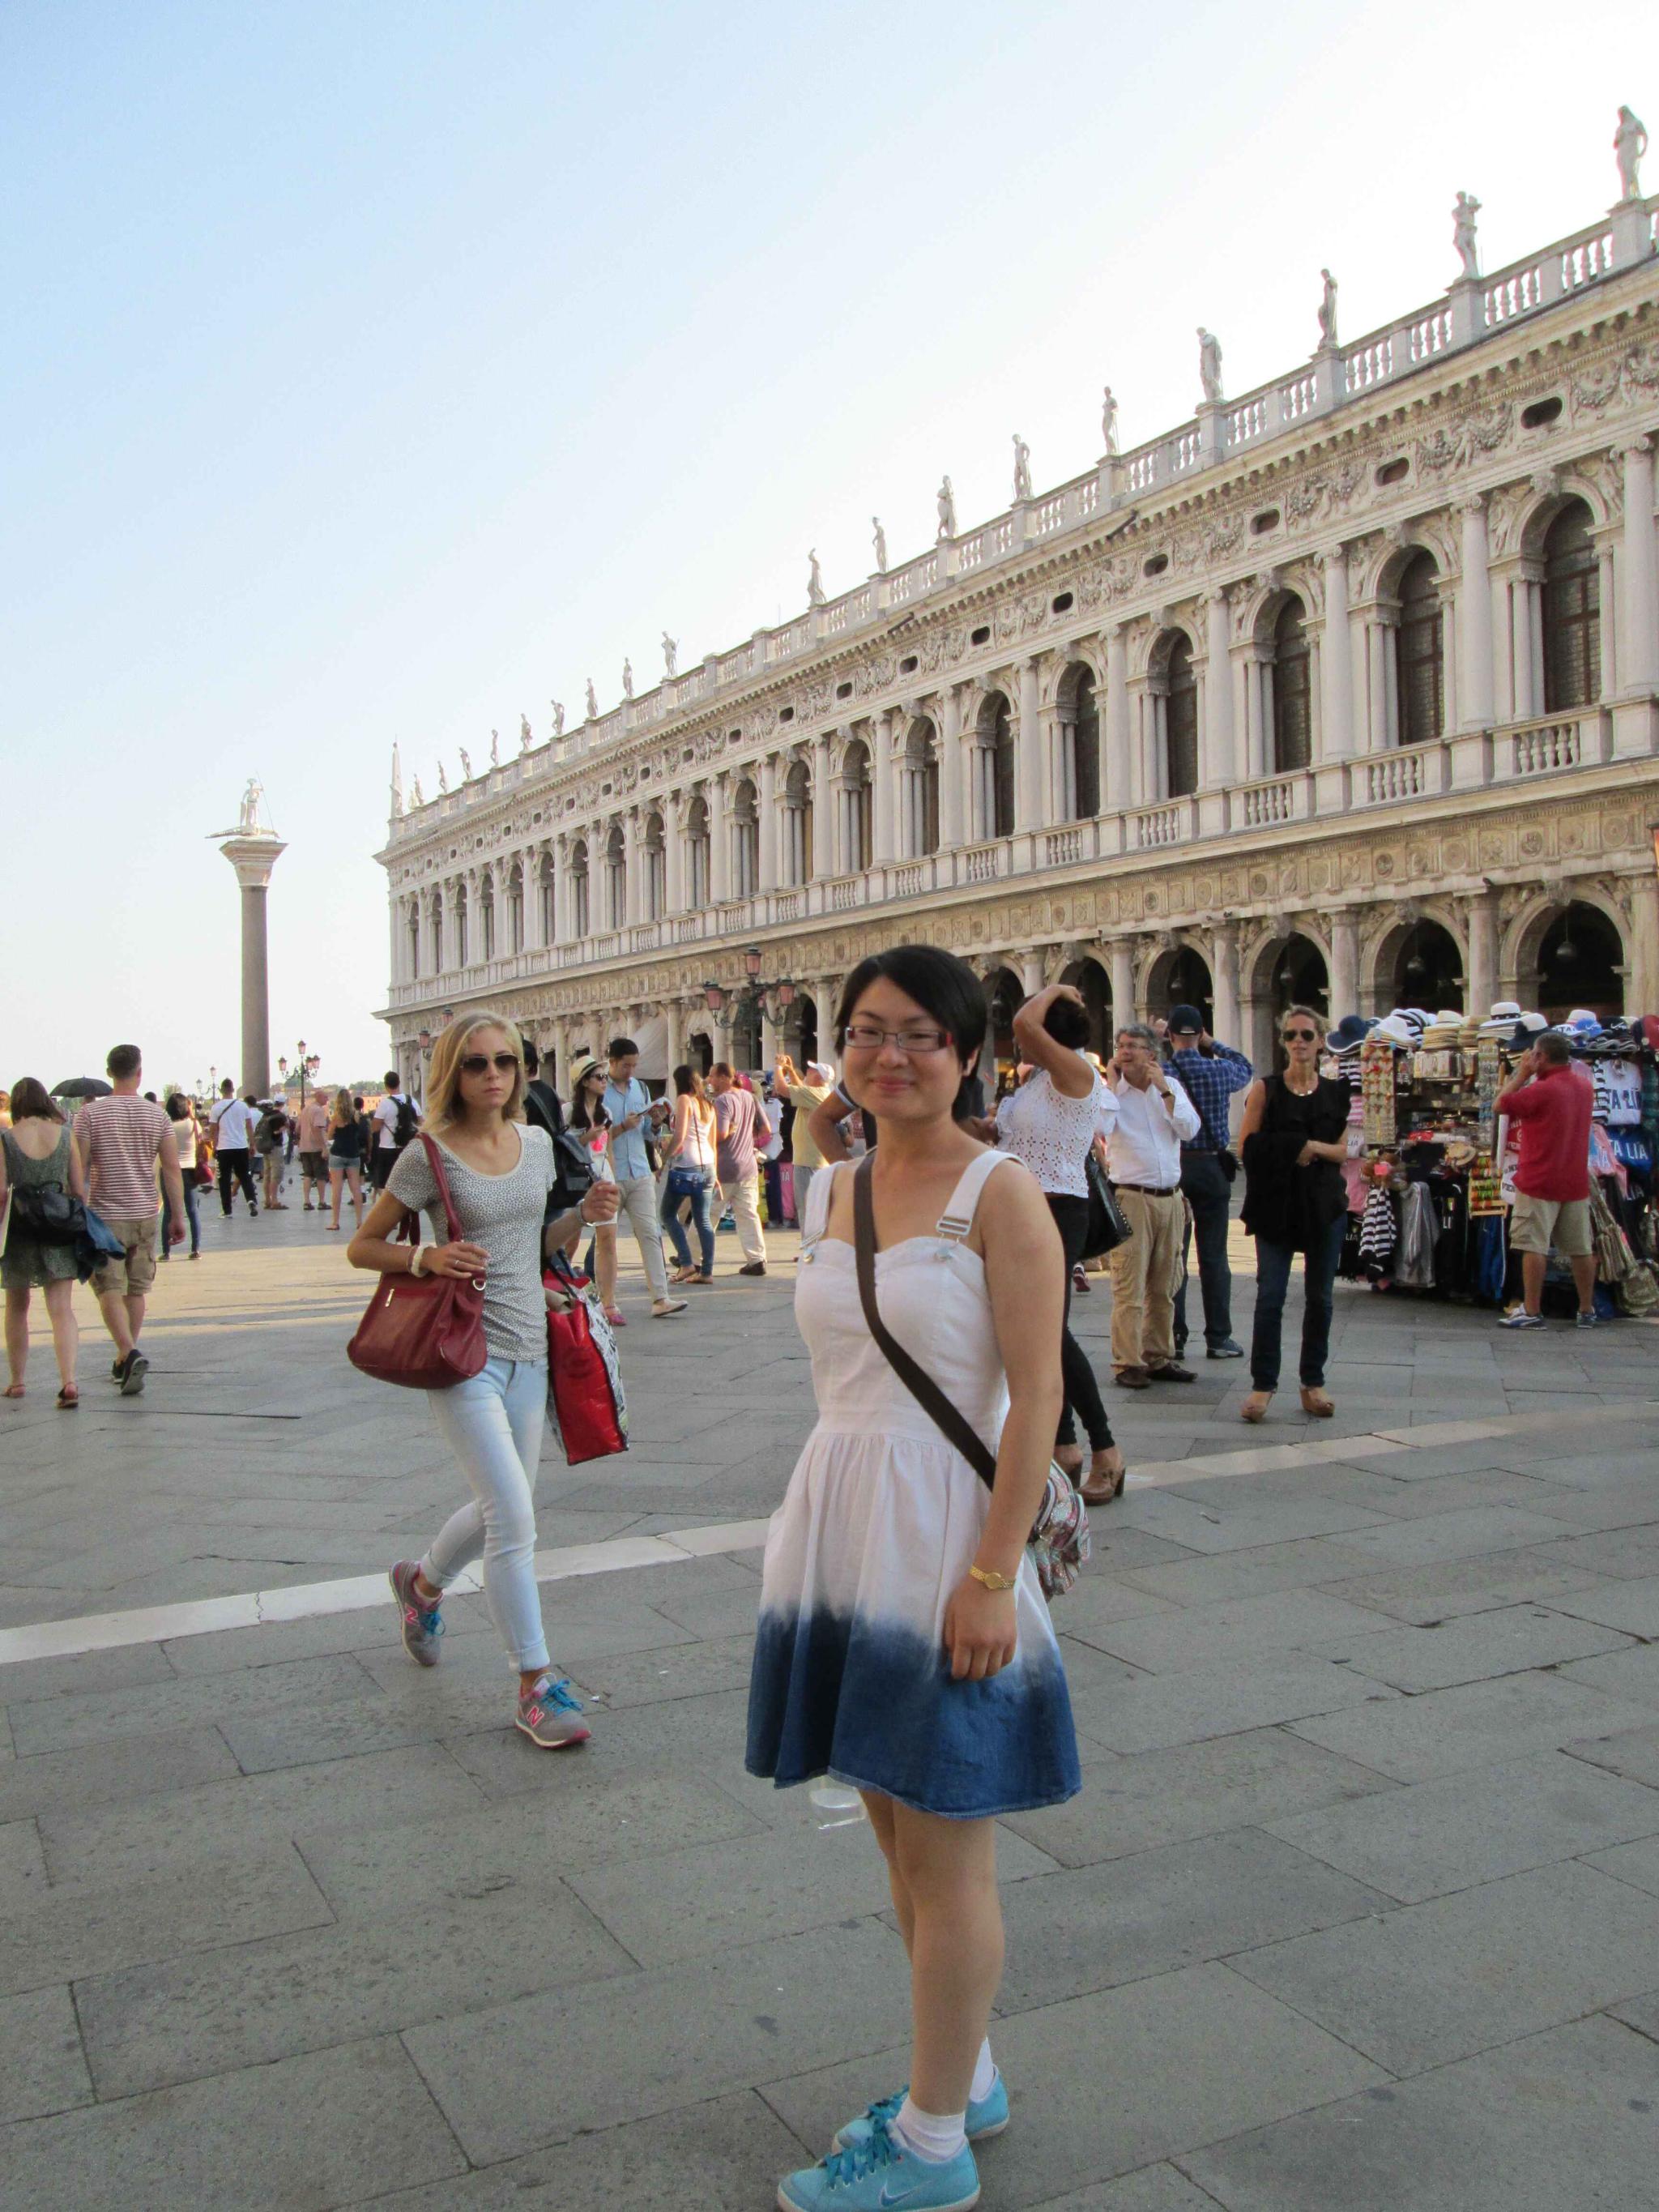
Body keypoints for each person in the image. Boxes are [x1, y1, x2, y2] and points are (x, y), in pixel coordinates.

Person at [746, 944, 1077, 2212]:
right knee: (893, 1828)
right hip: (839, 1526)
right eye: (868, 1030)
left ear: (968, 1051)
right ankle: (966, 2075)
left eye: (921, 1034)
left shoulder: (1002, 1192)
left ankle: (933, 2147)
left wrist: (992, 1573)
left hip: (946, 1537)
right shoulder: (830, 1187)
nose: (891, 1054)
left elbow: (1037, 1398)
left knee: (947, 1852)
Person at [348, 1013, 621, 1746]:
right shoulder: (427, 1154)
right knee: (514, 1520)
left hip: (530, 1347)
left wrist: (583, 1215)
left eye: (506, 1060)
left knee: (507, 1505)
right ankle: (534, 1683)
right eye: (476, 1064)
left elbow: (533, 1242)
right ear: (453, 1073)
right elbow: (362, 1246)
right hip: (462, 1353)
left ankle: (421, 1585)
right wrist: (425, 1258)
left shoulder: (536, 1144)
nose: (494, 1074)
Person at [993, 984, 1126, 1504]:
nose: (1020, 1041)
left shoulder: (1077, 1073)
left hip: (1057, 1210)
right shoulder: (1037, 1082)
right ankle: (1064, 1443)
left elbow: (1023, 1024)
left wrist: (1053, 989)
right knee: (1035, 1333)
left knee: (1049, 1332)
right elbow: (1016, 1138)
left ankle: (1104, 1449)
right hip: (1016, 1208)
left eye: (1032, 1033)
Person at [1237, 1006, 1352, 1421]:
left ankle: (1312, 1382)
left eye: (1306, 1035)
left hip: (1323, 1205)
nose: (1298, 1042)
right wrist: (1293, 1148)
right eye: (1290, 1035)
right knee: (1270, 1296)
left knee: (1320, 1298)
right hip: (1276, 1206)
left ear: (1321, 1041)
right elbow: (1246, 1146)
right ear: (1283, 1042)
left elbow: (1344, 1150)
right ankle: (1263, 1385)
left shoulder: (1337, 1093)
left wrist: (1313, 1148)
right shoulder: (1266, 1090)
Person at [74, 1044, 186, 1394]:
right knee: (136, 1290)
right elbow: (172, 1169)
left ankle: (127, 1351)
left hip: (105, 1216)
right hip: (146, 1213)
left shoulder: (89, 1115)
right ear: (139, 1072)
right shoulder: (158, 1116)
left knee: (108, 1287)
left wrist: (77, 1209)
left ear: (109, 1073)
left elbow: (80, 1169)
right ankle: (126, 1357)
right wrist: (177, 1215)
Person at [1102, 1023, 1201, 1388]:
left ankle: (1158, 1355)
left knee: (1165, 1284)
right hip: (1132, 1196)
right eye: (1121, 1046)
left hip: (1170, 1197)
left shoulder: (1169, 1087)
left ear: (1152, 1054)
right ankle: (1127, 1361)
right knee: (1129, 1283)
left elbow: (1189, 1130)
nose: (1125, 1052)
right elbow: (1100, 1126)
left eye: (1134, 1046)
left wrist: (1164, 1091)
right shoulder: (1111, 1093)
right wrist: (1111, 1087)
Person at [1165, 1003, 1252, 1360]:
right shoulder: (1220, 1071)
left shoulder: (1164, 1072)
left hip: (1177, 1168)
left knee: (1177, 1256)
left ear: (1170, 1035)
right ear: (1199, 1034)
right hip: (1213, 1168)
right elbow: (1246, 1067)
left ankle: (1176, 1335)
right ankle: (1219, 1337)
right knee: (1214, 1256)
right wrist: (1212, 1043)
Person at [1495, 1030, 1597, 1330]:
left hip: (1539, 1178)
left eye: (1533, 1054)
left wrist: (1522, 1073)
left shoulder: (1541, 1090)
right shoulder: (1584, 1086)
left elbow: (1501, 1104)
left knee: (1533, 1245)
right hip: (1574, 1179)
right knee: (1581, 1248)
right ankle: (1586, 1309)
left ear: (1541, 1056)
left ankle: (1532, 1309)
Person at [1, 1078, 86, 1407]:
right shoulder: (65, 1135)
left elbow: (0, 1193)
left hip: (19, 1230)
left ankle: (17, 1381)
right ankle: (69, 1382)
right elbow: (77, 1188)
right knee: (61, 1309)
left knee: (16, 1306)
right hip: (58, 1227)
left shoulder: (7, 1139)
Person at [602, 1039, 686, 1317]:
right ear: (612, 1062)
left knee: (650, 1233)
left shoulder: (641, 1088)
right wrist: (622, 1126)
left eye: (634, 1066)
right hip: (610, 1174)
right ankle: (603, 1299)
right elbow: (596, 1137)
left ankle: (661, 1298)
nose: (630, 1071)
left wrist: (656, 1122)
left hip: (639, 1172)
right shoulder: (600, 1090)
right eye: (625, 1065)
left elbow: (647, 1134)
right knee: (605, 1240)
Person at [565, 1056, 625, 1324]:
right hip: (576, 1181)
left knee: (607, 1239)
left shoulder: (606, 1113)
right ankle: (560, 1286)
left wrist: (614, 1179)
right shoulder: (567, 1112)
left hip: (602, 1178)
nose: (604, 1082)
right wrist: (584, 1138)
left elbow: (608, 1149)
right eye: (599, 1077)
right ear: (584, 1082)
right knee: (570, 1239)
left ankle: (609, 1302)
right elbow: (562, 1149)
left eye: (605, 1078)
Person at [710, 1061, 772, 1275]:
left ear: (724, 1078)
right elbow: (766, 1129)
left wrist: (707, 1136)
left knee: (708, 1214)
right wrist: (748, 1139)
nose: (710, 1081)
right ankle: (757, 1259)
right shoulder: (750, 1097)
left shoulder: (723, 1100)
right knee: (748, 1215)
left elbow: (721, 1133)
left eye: (712, 1076)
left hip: (724, 1167)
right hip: (748, 1166)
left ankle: (692, 1258)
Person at [659, 1065, 719, 1283]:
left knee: (667, 1214)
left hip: (686, 1165)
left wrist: (663, 1160)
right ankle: (707, 1271)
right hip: (707, 1165)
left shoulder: (684, 1100)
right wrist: (716, 1174)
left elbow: (680, 1135)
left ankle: (686, 1263)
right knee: (702, 1219)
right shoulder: (708, 1105)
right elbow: (713, 1142)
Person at [774, 1053, 835, 1226]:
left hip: (808, 1161)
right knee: (812, 1208)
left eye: (813, 1070)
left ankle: (810, 1242)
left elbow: (782, 1089)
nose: (808, 1071)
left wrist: (778, 1067)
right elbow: (799, 1088)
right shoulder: (818, 1092)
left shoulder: (816, 1093)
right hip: (812, 1160)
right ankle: (813, 1241)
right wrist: (790, 1071)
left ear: (820, 1078)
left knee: (807, 1209)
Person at [160, 1092, 203, 1260]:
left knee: (168, 1211)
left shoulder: (166, 1126)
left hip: (168, 1171)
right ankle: (196, 1249)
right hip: (189, 1170)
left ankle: (166, 1252)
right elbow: (200, 1137)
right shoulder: (193, 1125)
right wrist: (191, 1110)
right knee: (192, 1210)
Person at [210, 1081, 261, 1216]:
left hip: (224, 1147)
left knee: (224, 1179)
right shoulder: (243, 1106)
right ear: (233, 1090)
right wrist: (252, 1144)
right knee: (245, 1175)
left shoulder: (216, 1107)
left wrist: (214, 1146)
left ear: (221, 1090)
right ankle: (251, 1200)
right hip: (241, 1146)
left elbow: (213, 1130)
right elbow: (249, 1127)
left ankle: (227, 1210)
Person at [325, 1087, 368, 1231]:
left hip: (337, 1153)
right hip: (353, 1153)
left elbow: (329, 1136)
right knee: (356, 1188)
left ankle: (335, 1222)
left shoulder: (336, 1117)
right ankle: (359, 1221)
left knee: (337, 1189)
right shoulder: (356, 1116)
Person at [370, 1069, 417, 1192]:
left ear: (386, 1085)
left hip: (388, 1148)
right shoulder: (411, 1101)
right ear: (399, 1083)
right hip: (408, 1147)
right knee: (406, 1185)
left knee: (387, 1185)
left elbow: (375, 1128)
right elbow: (422, 1122)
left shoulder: (385, 1104)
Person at [295, 1087, 331, 1211]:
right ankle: (322, 1201)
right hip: (316, 1148)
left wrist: (303, 1138)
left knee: (308, 1174)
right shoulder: (318, 1110)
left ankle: (307, 1201)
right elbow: (317, 1129)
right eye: (326, 1097)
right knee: (321, 1175)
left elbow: (297, 1129)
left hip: (304, 1147)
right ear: (319, 1097)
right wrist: (323, 1148)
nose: (327, 1099)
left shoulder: (305, 1109)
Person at [255, 1098, 290, 1210]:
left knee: (267, 1174)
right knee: (276, 1174)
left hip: (265, 1148)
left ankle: (267, 1200)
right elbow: (276, 1132)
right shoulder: (278, 1116)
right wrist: (285, 1127)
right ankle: (274, 1201)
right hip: (275, 1147)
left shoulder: (265, 1117)